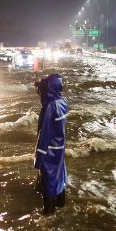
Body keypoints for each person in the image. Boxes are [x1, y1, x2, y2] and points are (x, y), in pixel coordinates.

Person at [34, 73, 69, 215]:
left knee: (48, 183)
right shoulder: (63, 102)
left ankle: (48, 216)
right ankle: (61, 207)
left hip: (49, 152)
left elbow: (44, 135)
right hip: (59, 148)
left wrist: (38, 159)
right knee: (59, 179)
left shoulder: (50, 107)